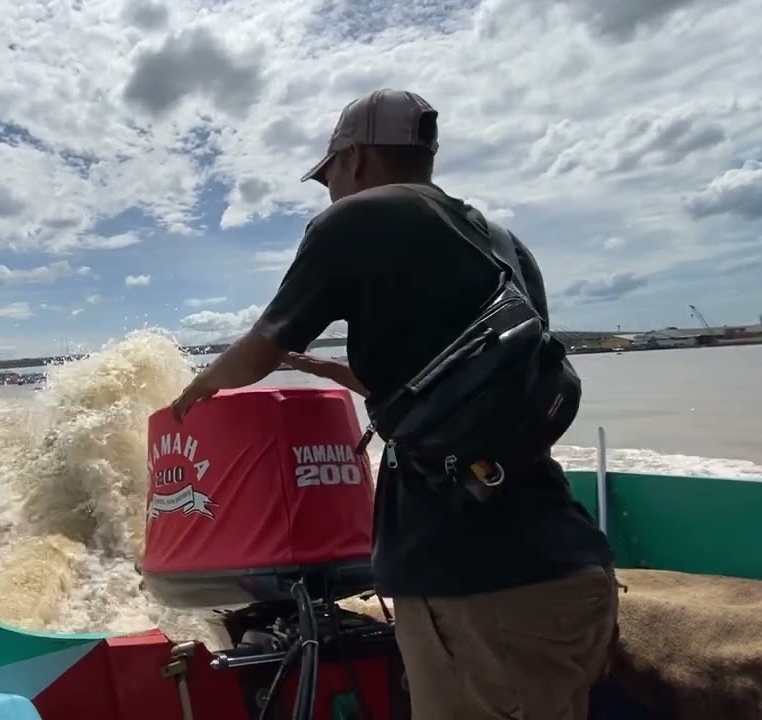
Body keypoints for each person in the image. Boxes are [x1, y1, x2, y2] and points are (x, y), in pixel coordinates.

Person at [169, 89, 618, 720]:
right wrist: (328, 371)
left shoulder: (358, 218)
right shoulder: (506, 245)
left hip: (479, 586)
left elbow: (259, 348)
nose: (329, 191)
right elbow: (471, 391)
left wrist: (197, 388)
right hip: (569, 564)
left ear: (353, 159)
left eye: (329, 176)